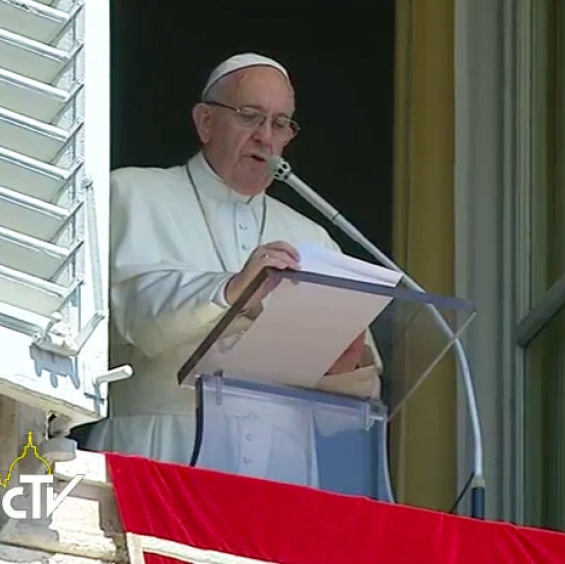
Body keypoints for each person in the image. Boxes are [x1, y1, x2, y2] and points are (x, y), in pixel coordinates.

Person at [85, 53, 381, 486]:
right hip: (162, 445)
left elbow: (353, 407)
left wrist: (342, 367)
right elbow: (139, 315)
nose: (265, 136)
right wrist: (232, 289)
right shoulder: (132, 192)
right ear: (205, 121)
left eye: (280, 124)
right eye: (249, 116)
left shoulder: (311, 236)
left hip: (281, 469)